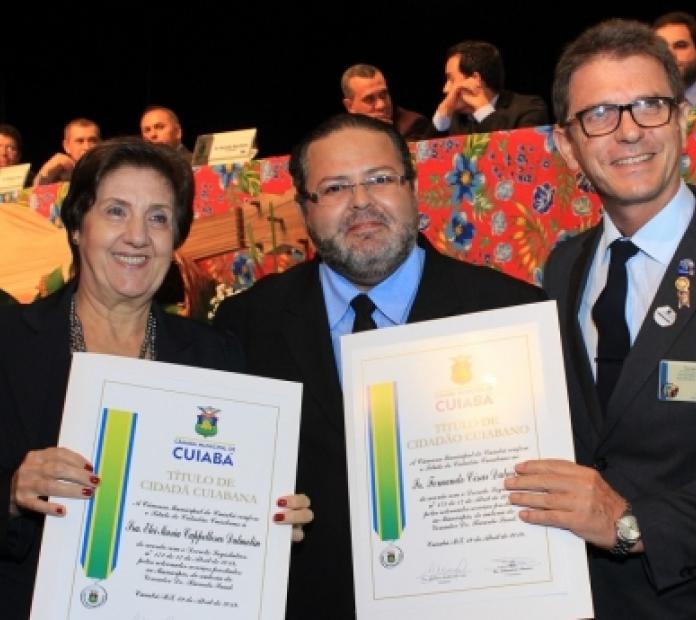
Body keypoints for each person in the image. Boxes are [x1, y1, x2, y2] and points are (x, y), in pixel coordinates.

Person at [213, 112, 545, 619]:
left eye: (380, 179)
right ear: (304, 210)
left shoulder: (510, 314)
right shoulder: (246, 323)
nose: (361, 201)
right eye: (334, 188)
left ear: (414, 189)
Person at [0, 138, 312, 619]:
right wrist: (12, 493)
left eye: (159, 218)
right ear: (78, 226)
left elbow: (234, 493)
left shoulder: (216, 355)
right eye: (116, 211)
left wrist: (267, 519)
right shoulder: (9, 341)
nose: (138, 236)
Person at [505, 18, 696, 618]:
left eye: (649, 105)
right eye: (599, 114)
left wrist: (632, 525)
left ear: (682, 118)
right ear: (568, 145)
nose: (629, 131)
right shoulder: (563, 266)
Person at [432, 40, 549, 136]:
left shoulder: (529, 109)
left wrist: (483, 110)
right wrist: (442, 116)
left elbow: (515, 151)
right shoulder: (454, 118)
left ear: (475, 79)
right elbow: (429, 153)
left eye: (451, 79)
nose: (445, 89)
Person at [341, 63, 432, 141]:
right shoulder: (342, 134)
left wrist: (386, 134)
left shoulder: (412, 125)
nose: (381, 105)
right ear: (350, 106)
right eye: (369, 99)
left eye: (383, 95)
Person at [33, 118, 101, 186]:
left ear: (100, 143)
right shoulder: (58, 176)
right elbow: (35, 191)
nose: (87, 147)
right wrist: (46, 169)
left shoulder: (106, 170)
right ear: (66, 146)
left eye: (93, 141)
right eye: (80, 141)